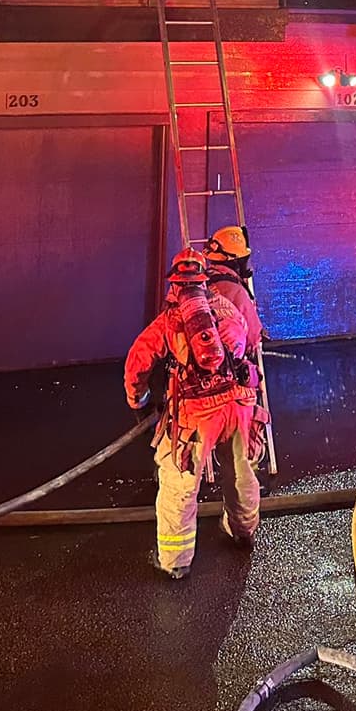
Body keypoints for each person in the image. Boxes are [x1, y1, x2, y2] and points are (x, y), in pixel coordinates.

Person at [124, 246, 268, 580]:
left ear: (175, 282)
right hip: (240, 406)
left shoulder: (171, 319)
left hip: (195, 416)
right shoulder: (230, 305)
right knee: (241, 471)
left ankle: (176, 562)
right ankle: (243, 531)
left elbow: (137, 363)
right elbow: (250, 342)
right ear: (205, 280)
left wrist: (140, 402)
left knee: (180, 483)